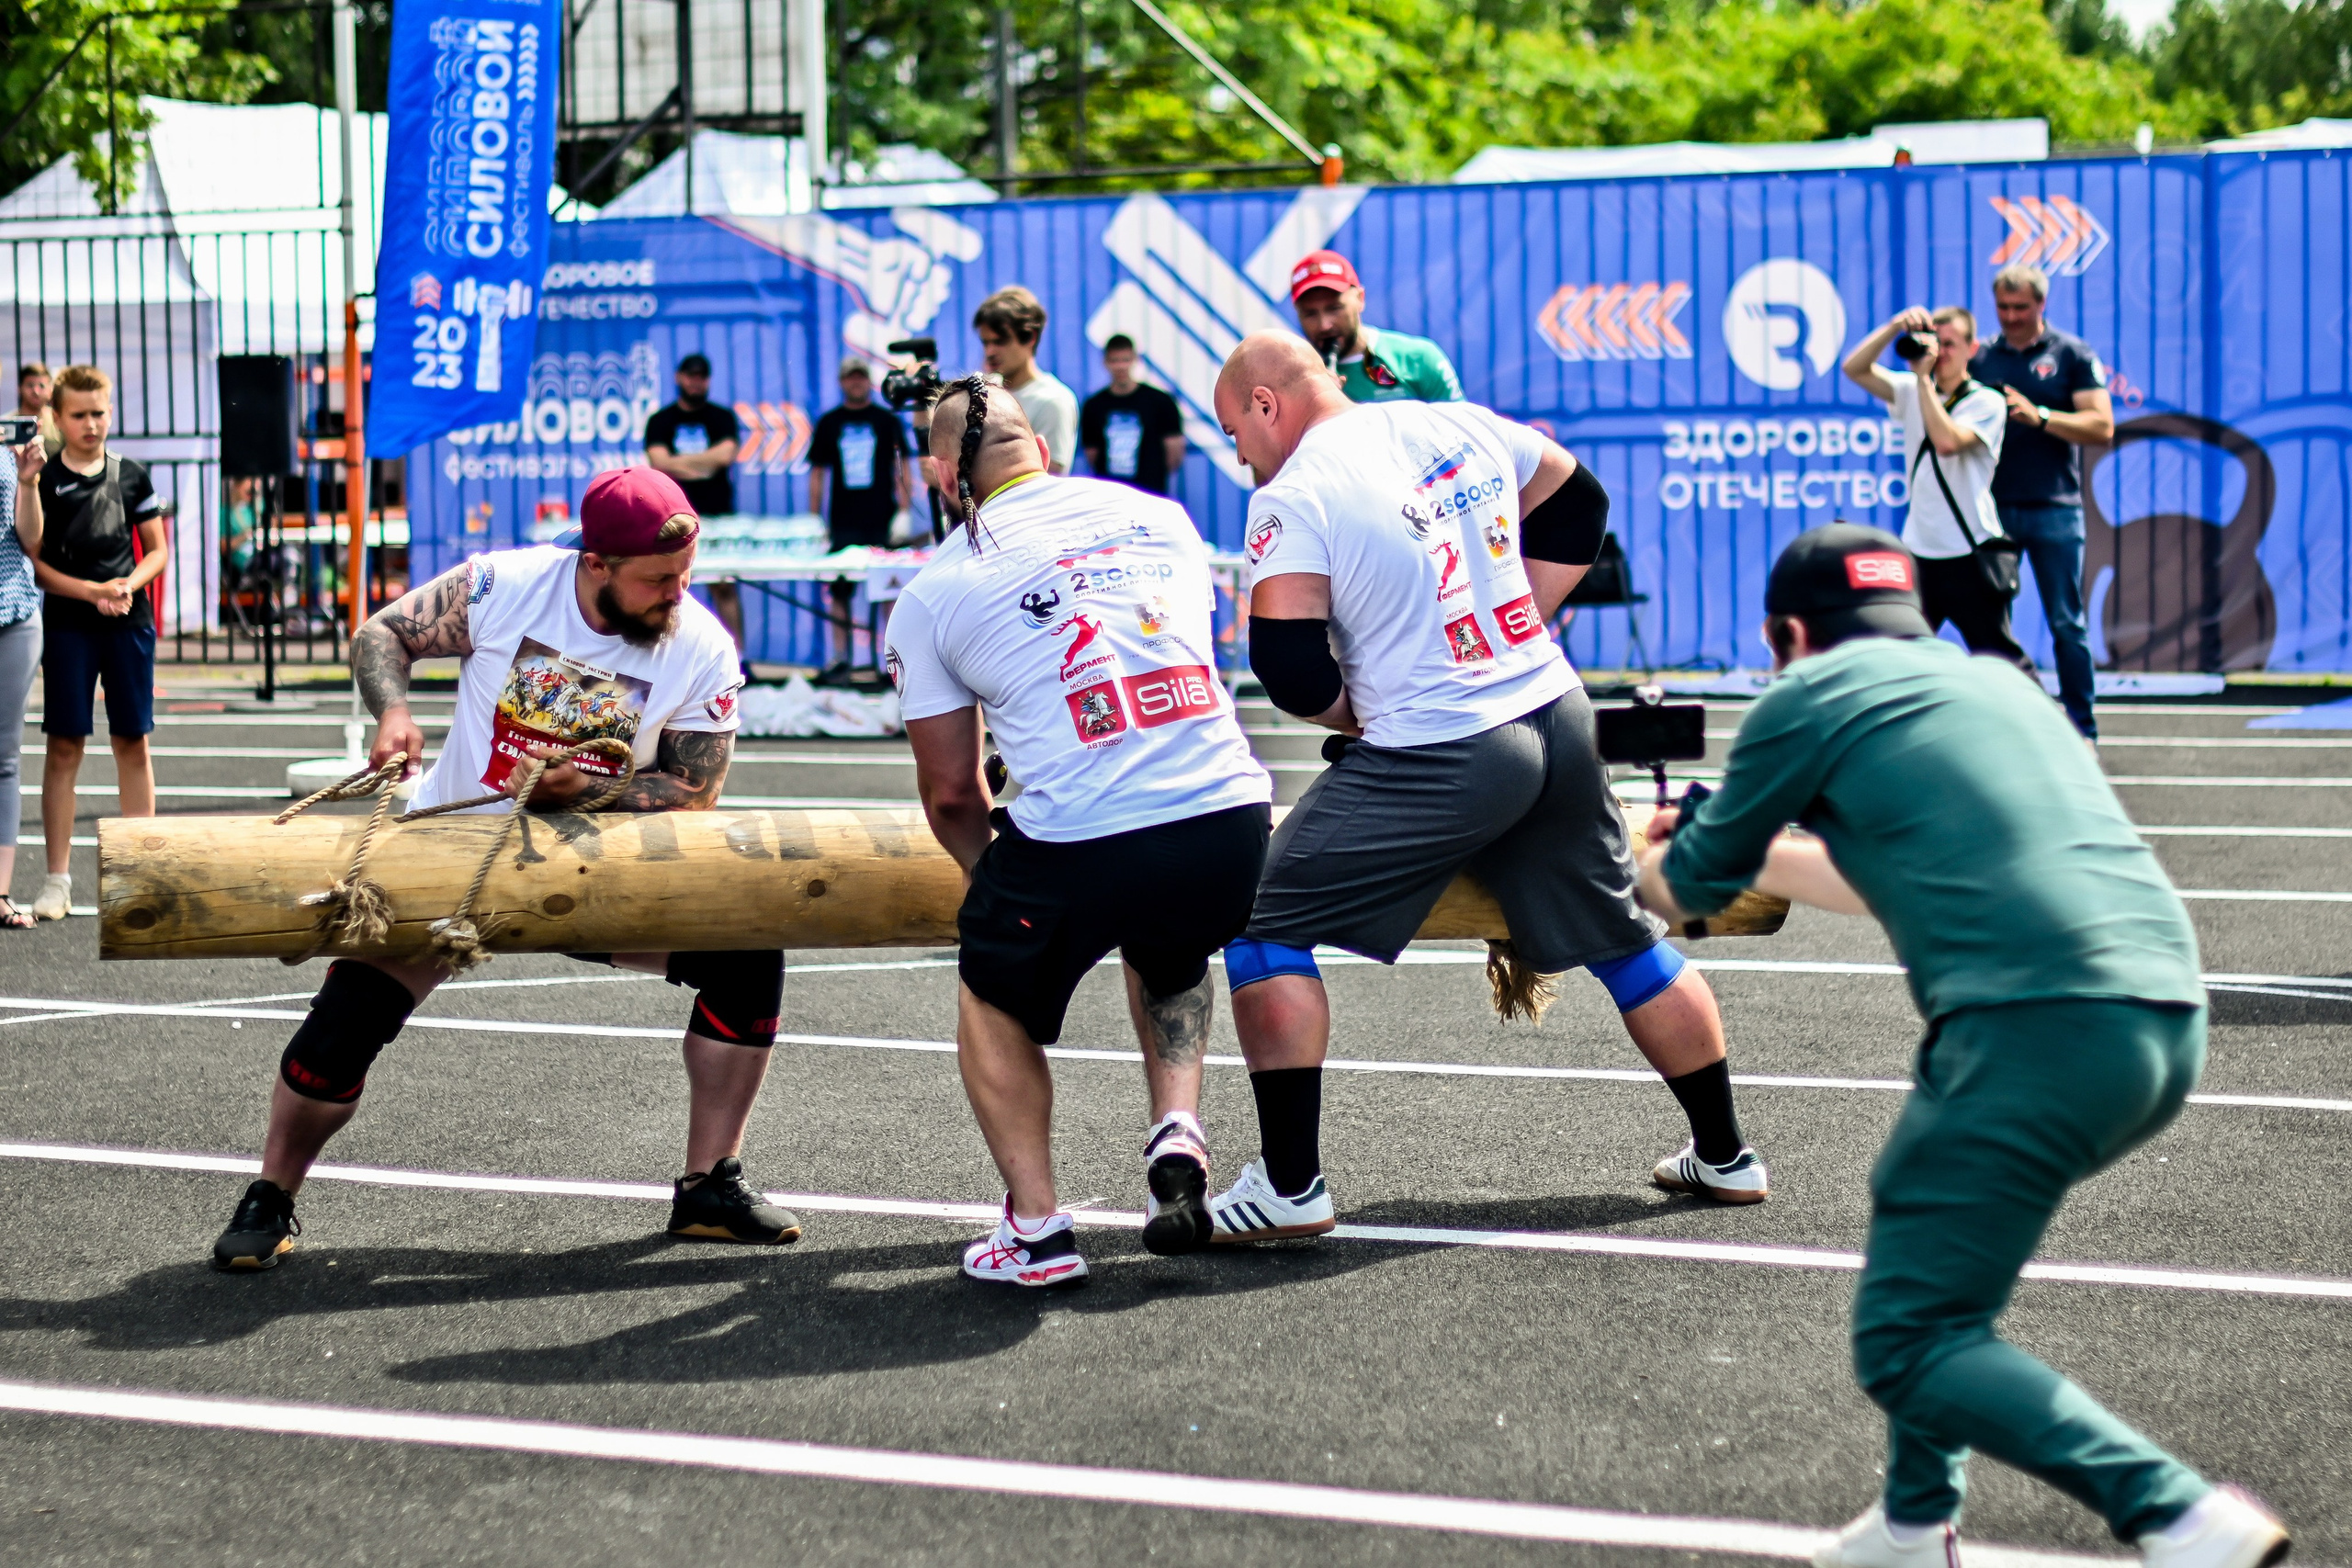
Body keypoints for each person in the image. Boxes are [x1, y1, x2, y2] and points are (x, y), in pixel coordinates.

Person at [1635, 522, 2288, 1568]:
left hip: (2034, 1028)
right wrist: (1755, 852)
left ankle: (2175, 1513)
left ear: (1783, 632)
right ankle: (1910, 1522)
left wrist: (1641, 856)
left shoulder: (1803, 695)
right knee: (1924, 1256)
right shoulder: (1993, 685)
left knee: (1908, 1340)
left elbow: (1690, 891)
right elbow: (1876, 874)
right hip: (2161, 1011)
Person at [1199, 331, 1766, 1244]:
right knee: (1623, 939)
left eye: (1234, 431)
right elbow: (1582, 503)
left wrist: (1361, 712)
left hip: (1448, 748)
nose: (1237, 454)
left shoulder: (1291, 495)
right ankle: (1728, 1156)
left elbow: (1290, 668)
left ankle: (1290, 1186)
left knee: (1259, 919)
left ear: (1267, 403)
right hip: (1557, 714)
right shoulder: (1456, 422)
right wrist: (1523, 616)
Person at [210, 467, 800, 1270]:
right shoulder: (504, 585)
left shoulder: (700, 643)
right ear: (594, 562)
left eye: (686, 574)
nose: (677, 593)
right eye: (658, 579)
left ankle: (709, 1186)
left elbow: (696, 787)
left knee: (746, 957)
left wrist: (591, 787)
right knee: (344, 1025)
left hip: (593, 871)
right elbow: (385, 634)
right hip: (459, 862)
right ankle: (273, 1194)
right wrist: (392, 710)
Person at [888, 375, 1273, 1286]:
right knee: (1171, 937)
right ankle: (1176, 1123)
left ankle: (1035, 1230)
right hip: (1228, 815)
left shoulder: (937, 588)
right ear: (1044, 451)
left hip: (1085, 837)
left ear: (944, 477)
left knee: (992, 990)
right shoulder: (1162, 518)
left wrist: (999, 887)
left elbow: (951, 795)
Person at [30, 365, 166, 923]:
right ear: (59, 419)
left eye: (99, 412)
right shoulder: (42, 479)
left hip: (128, 621)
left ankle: (139, 874)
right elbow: (35, 563)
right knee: (65, 747)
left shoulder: (132, 475)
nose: (92, 423)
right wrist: (90, 592)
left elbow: (156, 550)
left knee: (132, 741)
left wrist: (126, 587)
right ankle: (57, 880)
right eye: (80, 415)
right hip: (68, 624)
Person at [1841, 308, 2032, 676]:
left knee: (2001, 664)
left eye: (1949, 344)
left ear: (1971, 349)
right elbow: (1854, 368)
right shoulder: (1912, 389)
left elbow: (1946, 441)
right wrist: (1895, 327)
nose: (1939, 353)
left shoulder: (1986, 401)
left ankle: (2044, 731)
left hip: (1968, 551)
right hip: (1920, 551)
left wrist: (1924, 381)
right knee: (1897, 660)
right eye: (1934, 343)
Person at [1972, 263, 2117, 741]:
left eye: (2021, 307)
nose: (2011, 316)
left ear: (2041, 304)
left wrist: (2043, 417)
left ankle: (2082, 732)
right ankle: (2002, 732)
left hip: (2055, 505)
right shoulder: (1982, 358)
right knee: (1993, 629)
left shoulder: (2071, 353)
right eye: (2003, 307)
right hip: (1994, 509)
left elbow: (2101, 426)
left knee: (2066, 624)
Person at [808, 355, 916, 681]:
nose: (855, 383)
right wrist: (815, 518)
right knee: (839, 590)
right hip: (842, 519)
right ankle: (841, 657)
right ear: (842, 382)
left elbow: (902, 467)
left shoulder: (887, 421)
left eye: (860, 377)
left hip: (881, 517)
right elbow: (818, 473)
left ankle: (890, 661)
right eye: (849, 378)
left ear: (867, 381)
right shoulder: (829, 422)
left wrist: (905, 510)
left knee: (887, 590)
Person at [643, 353, 748, 665]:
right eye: (690, 376)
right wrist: (703, 465)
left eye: (701, 376)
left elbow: (726, 456)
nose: (695, 381)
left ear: (708, 380)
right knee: (668, 588)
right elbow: (659, 463)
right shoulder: (661, 420)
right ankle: (668, 663)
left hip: (717, 516)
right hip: (672, 519)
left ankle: (736, 660)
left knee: (724, 586)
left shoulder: (721, 417)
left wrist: (678, 465)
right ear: (679, 377)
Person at [1288, 250, 1463, 404]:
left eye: (1335, 308)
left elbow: (1463, 431)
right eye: (1310, 314)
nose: (1324, 325)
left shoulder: (1418, 358)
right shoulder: (1291, 378)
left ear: (1360, 298)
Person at [0, 429, 43, 929]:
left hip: (13, 613)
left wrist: (28, 481)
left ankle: (1, 892)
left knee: (5, 758)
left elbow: (31, 540)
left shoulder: (9, 456)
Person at [973, 287, 1079, 475]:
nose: (990, 352)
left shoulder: (1053, 400)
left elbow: (1048, 480)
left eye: (1000, 341)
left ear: (1030, 337)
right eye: (986, 342)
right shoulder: (985, 390)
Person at [1079, 334, 1186, 495]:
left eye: (1126, 360)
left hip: (1151, 493)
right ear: (1105, 362)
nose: (1121, 366)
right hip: (1110, 496)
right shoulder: (1093, 406)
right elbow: (1092, 454)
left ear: (1135, 360)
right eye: (1115, 361)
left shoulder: (1161, 401)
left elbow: (1174, 455)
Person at [17, 362, 59, 459]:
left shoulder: (59, 419)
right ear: (19, 389)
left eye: (42, 386)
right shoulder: (7, 423)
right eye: (30, 385)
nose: (36, 391)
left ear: (50, 390)